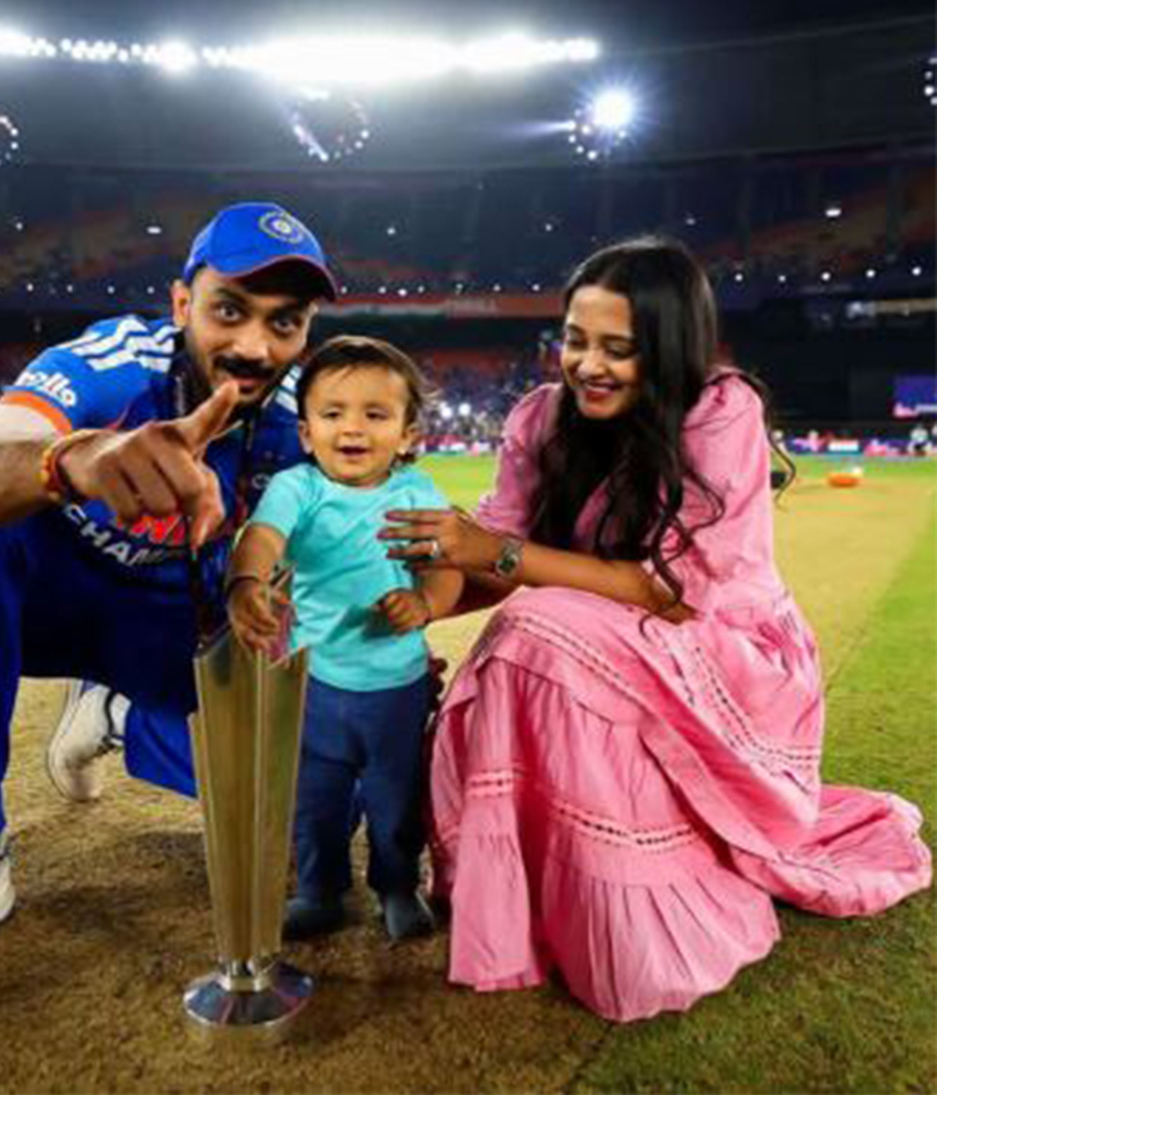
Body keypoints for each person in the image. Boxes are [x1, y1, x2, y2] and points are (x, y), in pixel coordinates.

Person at [380, 236, 932, 1023]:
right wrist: (418, 606)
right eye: (575, 340)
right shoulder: (541, 417)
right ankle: (529, 891)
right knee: (530, 628)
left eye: (619, 348)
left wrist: (493, 551)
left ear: (668, 348)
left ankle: (618, 909)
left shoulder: (718, 410)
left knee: (535, 627)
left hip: (729, 650)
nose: (588, 365)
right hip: (609, 632)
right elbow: (495, 559)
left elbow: (671, 592)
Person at [0, 203, 338, 1001]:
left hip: (169, 628)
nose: (255, 347)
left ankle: (113, 718)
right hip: (49, 600)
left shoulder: (305, 419)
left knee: (306, 817)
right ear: (183, 302)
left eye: (284, 323)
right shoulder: (114, 359)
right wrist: (76, 461)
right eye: (230, 310)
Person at [226, 337, 463, 941]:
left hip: (397, 686)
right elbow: (261, 538)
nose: (352, 429)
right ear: (306, 432)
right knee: (315, 799)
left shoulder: (417, 496)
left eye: (375, 415)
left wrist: (426, 603)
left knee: (395, 798)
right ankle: (319, 889)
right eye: (333, 414)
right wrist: (247, 581)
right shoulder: (296, 488)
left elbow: (445, 568)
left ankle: (396, 885)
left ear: (409, 435)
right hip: (315, 682)